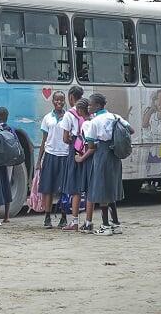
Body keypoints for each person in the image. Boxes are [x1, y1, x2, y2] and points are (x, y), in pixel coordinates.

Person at [81, 93, 129, 236]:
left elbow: (91, 143)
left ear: (98, 105)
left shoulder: (95, 121)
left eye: (90, 104)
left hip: (102, 154)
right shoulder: (115, 116)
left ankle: (105, 225)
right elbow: (130, 130)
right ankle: (116, 224)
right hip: (115, 155)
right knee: (111, 188)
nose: (88, 106)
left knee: (102, 189)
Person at [35, 91, 69, 229]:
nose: (59, 102)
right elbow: (44, 140)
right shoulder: (47, 118)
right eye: (56, 100)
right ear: (52, 101)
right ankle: (47, 217)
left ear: (65, 101)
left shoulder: (68, 117)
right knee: (47, 188)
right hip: (50, 155)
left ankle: (64, 217)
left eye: (61, 100)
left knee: (63, 189)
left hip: (65, 155)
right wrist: (39, 160)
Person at [60, 95, 90, 232]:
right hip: (89, 154)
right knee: (89, 189)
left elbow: (65, 138)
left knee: (75, 189)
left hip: (77, 152)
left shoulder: (69, 114)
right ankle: (88, 221)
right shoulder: (93, 119)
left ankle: (75, 221)